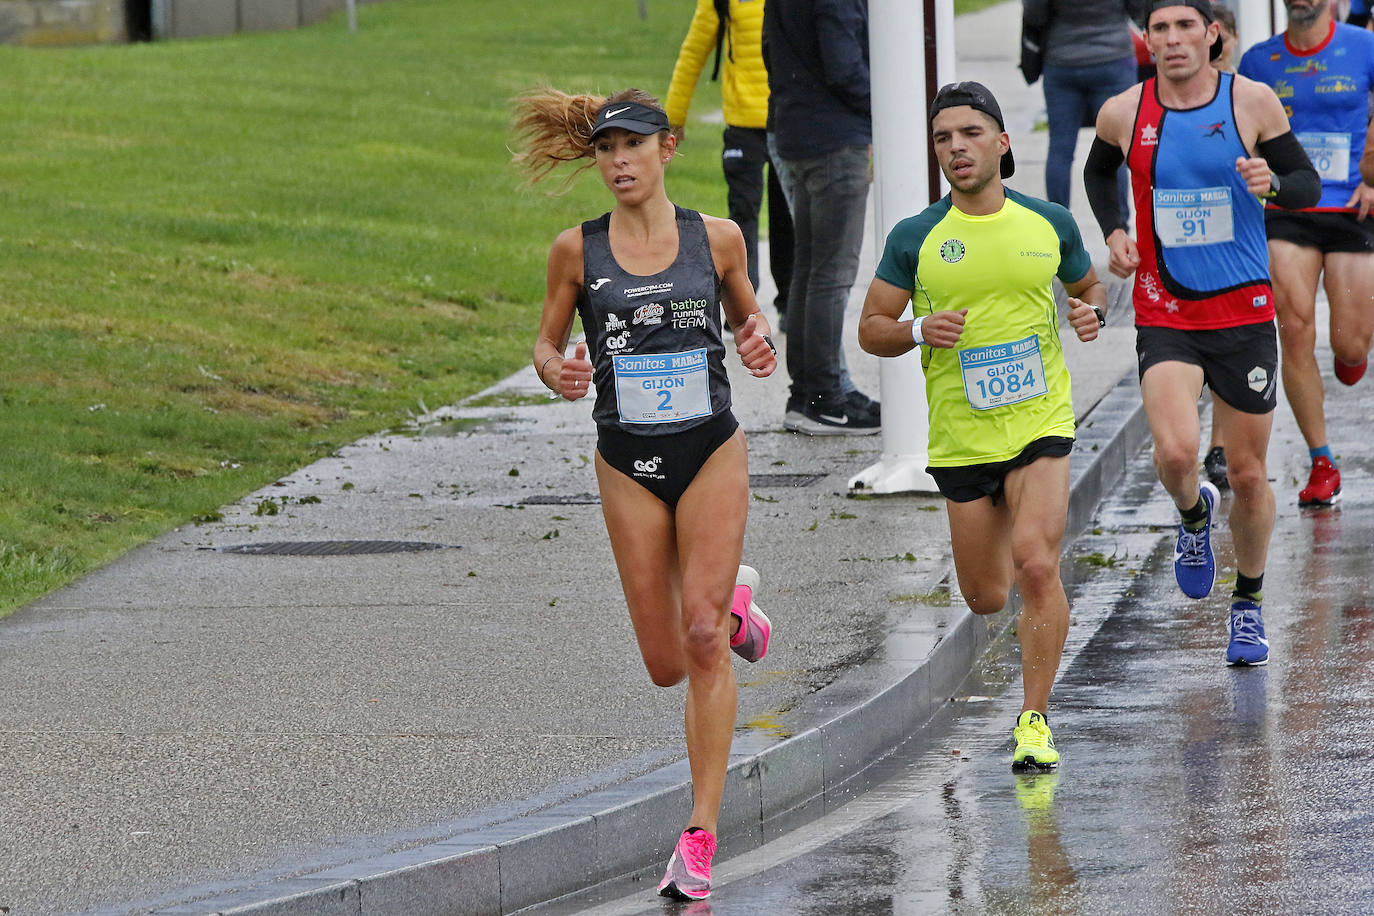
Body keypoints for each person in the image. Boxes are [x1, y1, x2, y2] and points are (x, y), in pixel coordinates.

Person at [516, 88, 778, 901]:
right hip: (626, 459)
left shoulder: (718, 238)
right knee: (668, 664)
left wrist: (756, 338)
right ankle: (735, 602)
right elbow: (547, 340)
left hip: (709, 448)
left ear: (667, 148)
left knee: (699, 639)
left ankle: (698, 835)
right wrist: (552, 367)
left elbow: (747, 316)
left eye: (632, 146)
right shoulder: (575, 251)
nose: (618, 161)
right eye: (604, 149)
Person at [858, 81, 1108, 771]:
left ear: (1002, 142)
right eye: (943, 138)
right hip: (963, 436)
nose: (956, 147)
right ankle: (1022, 615)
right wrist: (914, 330)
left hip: (1039, 422)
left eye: (970, 133)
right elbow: (871, 329)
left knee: (1035, 564)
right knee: (985, 593)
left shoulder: (1049, 221)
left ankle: (1034, 721)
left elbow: (1090, 289)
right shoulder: (917, 237)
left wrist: (1091, 313)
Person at [1084, 0, 1321, 666]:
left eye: (1185, 26)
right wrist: (1115, 231)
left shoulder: (1251, 102)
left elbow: (1306, 183)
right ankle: (1192, 516)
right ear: (1147, 40)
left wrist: (1272, 181)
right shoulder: (1124, 112)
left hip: (1242, 313)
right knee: (1179, 454)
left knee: (1248, 475)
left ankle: (1247, 604)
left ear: (1211, 34)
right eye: (1160, 29)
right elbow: (1098, 171)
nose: (1173, 39)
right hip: (1167, 311)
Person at [1237, 0, 1374, 506]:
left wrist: (1373, 178)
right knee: (1292, 326)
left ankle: (1350, 354)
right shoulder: (1257, 61)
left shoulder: (1364, 47)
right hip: (1289, 205)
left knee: (1352, 346)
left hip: (1351, 206)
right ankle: (1323, 460)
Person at [764, 0, 881, 434]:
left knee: (809, 272)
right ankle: (825, 398)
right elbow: (843, 65)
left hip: (796, 131)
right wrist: (891, 109)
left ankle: (808, 394)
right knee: (829, 275)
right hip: (836, 140)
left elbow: (767, 52)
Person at [665, 0, 794, 314]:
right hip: (742, 123)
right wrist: (674, 116)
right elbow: (695, 50)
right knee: (743, 214)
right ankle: (742, 304)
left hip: (788, 118)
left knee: (786, 215)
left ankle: (790, 304)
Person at [1023, 0, 1145, 217]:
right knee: (1118, 145)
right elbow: (1139, 8)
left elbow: (1035, 14)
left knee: (1060, 149)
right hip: (1113, 59)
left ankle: (1059, 225)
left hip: (1062, 60)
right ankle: (1120, 229)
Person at [1203, 0, 1240, 491]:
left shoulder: (1249, 93)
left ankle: (1223, 445)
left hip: (1243, 243)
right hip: (1194, 244)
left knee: (1230, 345)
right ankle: (1217, 445)